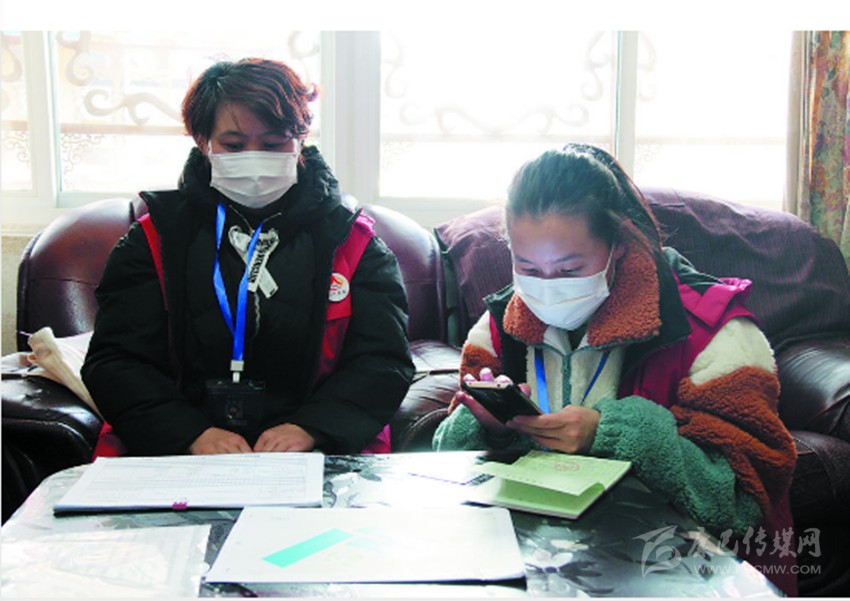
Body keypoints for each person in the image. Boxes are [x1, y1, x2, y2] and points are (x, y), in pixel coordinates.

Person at [432, 144, 798, 595]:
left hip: (681, 575)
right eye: (527, 268)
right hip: (545, 565)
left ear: (618, 245)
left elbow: (741, 500)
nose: (546, 288)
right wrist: (490, 430)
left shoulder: (714, 330)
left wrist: (612, 432)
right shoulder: (500, 325)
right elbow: (449, 467)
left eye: (570, 269)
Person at [82, 58, 414, 456]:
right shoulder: (154, 240)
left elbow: (383, 361)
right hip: (177, 451)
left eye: (273, 144)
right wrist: (190, 433)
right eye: (234, 146)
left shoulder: (353, 242)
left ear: (301, 138)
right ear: (203, 141)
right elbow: (116, 361)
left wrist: (311, 428)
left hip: (316, 450)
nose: (255, 159)